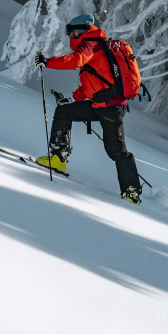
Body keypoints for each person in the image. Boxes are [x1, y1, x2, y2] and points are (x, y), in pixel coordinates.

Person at [34, 13, 143, 205]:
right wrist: (72, 99)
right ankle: (58, 158)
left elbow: (76, 60)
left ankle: (131, 190)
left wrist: (48, 61)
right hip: (98, 105)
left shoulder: (91, 44)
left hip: (111, 108)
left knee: (116, 150)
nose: (69, 36)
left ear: (80, 31)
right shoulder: (95, 47)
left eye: (71, 32)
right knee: (64, 111)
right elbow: (91, 85)